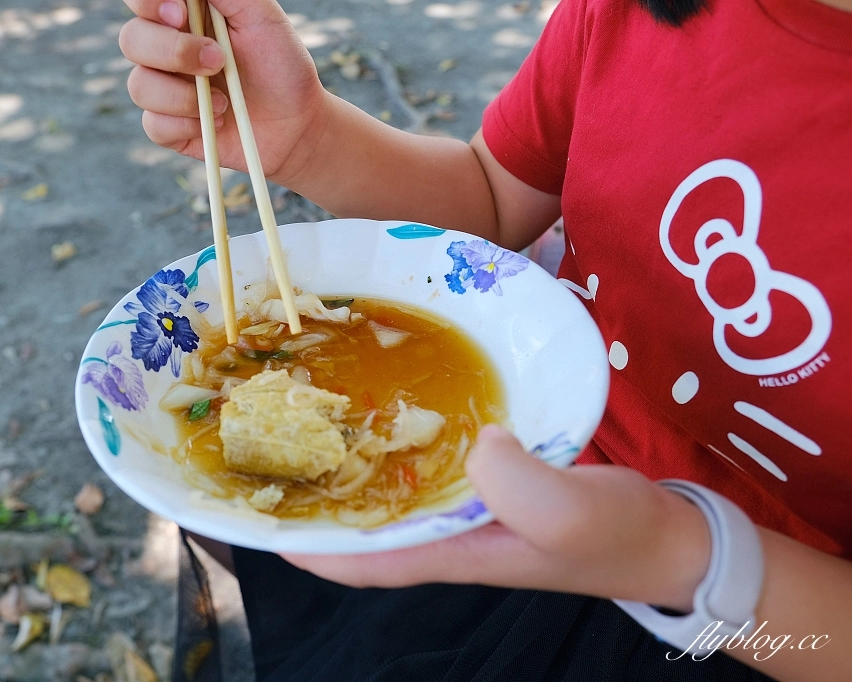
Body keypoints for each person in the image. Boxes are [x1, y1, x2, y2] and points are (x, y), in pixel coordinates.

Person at [117, 0, 852, 679]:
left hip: (746, 621)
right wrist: (308, 137)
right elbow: (494, 203)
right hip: (478, 496)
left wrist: (677, 556)